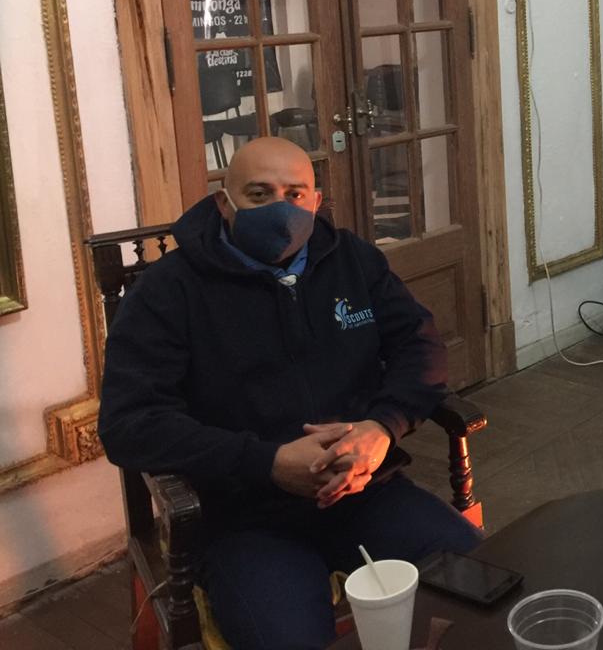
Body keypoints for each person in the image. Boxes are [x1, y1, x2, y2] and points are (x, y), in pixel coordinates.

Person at [98, 137, 481, 650]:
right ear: (224, 203)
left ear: (316, 201)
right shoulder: (169, 290)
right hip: (246, 520)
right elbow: (129, 424)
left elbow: (421, 346)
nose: (281, 209)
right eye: (259, 194)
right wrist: (267, 462)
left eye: (295, 194)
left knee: (483, 586)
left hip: (366, 492)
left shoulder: (352, 261)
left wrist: (381, 427)